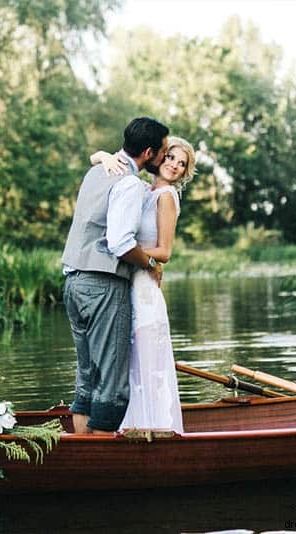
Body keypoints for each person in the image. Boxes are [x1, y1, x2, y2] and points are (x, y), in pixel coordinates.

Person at [61, 117, 169, 434]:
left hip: (73, 282)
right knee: (111, 383)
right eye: (163, 151)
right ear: (148, 152)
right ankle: (100, 466)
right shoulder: (130, 185)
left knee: (87, 378)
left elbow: (100, 159)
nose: (164, 157)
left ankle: (83, 456)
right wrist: (150, 264)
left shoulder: (98, 170)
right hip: (103, 284)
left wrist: (100, 154)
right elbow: (121, 243)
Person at [90, 136, 197, 433]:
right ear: (158, 156)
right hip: (126, 284)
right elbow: (95, 159)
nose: (174, 165)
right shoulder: (139, 187)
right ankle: (128, 426)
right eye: (171, 157)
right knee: (128, 364)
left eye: (182, 163)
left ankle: (156, 428)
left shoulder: (166, 197)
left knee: (147, 364)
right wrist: (102, 155)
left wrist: (125, 253)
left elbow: (165, 252)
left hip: (144, 288)